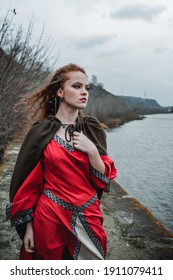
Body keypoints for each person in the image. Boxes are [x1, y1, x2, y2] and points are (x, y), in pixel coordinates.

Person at [6, 63, 117, 260]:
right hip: (49, 217)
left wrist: (92, 151)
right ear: (59, 92)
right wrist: (29, 227)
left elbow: (103, 180)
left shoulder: (92, 130)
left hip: (88, 216)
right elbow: (29, 185)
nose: (84, 92)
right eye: (76, 86)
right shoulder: (41, 131)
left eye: (86, 88)